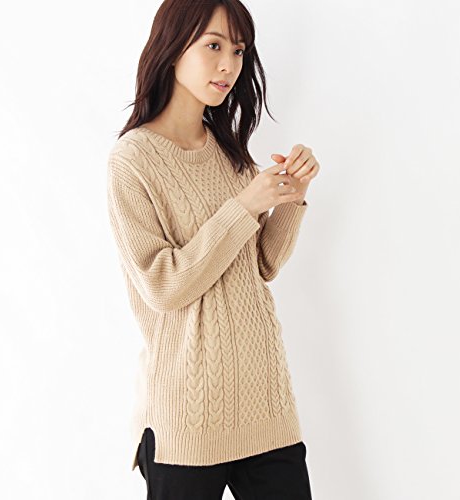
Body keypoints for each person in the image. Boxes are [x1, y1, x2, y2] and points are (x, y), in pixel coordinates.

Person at [107, 0, 320, 498]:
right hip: (186, 419)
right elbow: (163, 285)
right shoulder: (132, 160)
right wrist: (244, 206)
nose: (229, 65)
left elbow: (261, 264)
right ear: (172, 47)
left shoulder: (229, 151)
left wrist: (293, 196)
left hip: (265, 407)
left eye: (239, 51)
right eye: (214, 46)